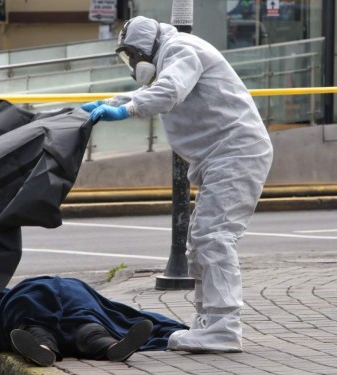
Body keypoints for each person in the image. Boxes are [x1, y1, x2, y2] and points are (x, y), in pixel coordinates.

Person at [82, 16, 273, 353]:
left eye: (133, 56)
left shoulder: (182, 49)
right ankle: (208, 321)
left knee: (213, 237)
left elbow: (169, 91)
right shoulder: (171, 55)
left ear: (145, 48)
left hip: (236, 152)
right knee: (201, 240)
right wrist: (110, 103)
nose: (134, 66)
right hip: (224, 155)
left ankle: (222, 327)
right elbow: (154, 88)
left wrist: (126, 111)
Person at [0, 276, 187, 373]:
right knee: (89, 328)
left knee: (36, 327)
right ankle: (111, 345)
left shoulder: (19, 294)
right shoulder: (72, 287)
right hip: (78, 304)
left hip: (32, 306)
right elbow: (115, 310)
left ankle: (43, 348)